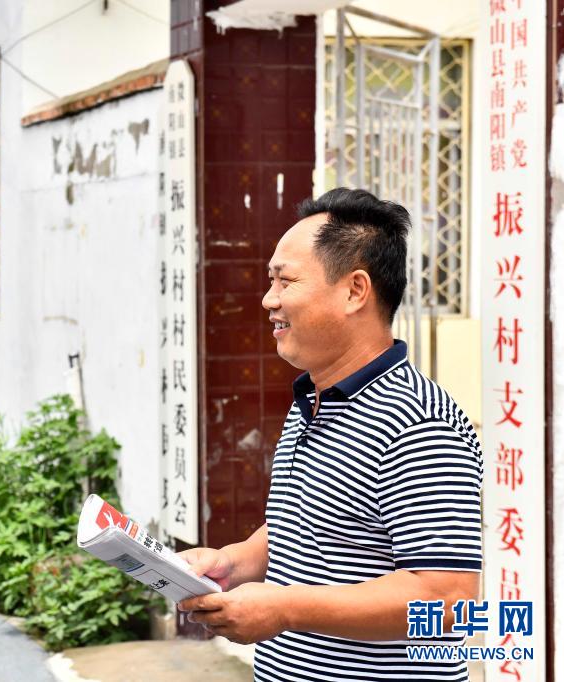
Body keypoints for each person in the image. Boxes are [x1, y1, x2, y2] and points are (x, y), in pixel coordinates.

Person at [179, 188, 482, 681]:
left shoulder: (420, 422)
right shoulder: (313, 399)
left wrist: (286, 608)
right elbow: (309, 528)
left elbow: (447, 599)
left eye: (285, 281)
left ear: (355, 290)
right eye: (270, 281)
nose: (268, 300)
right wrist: (230, 563)